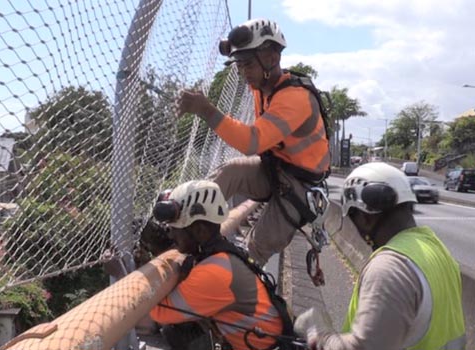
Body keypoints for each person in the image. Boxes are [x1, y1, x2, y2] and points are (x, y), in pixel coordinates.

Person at [177, 18, 330, 266]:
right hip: (276, 171)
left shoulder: (295, 97)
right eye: (239, 65)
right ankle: (186, 229)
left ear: (271, 58)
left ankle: (237, 290)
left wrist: (206, 110)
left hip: (300, 188)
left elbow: (253, 142)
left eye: (247, 64)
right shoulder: (260, 87)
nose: (243, 72)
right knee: (230, 172)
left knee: (254, 250)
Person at [294, 162, 466, 349]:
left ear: (365, 217)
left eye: (353, 219)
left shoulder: (389, 268)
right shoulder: (437, 250)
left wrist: (320, 333)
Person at [149, 180, 294, 350]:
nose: (170, 234)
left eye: (175, 228)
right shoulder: (221, 255)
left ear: (200, 230)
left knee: (175, 332)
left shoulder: (213, 273)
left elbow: (159, 313)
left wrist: (129, 270)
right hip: (271, 343)